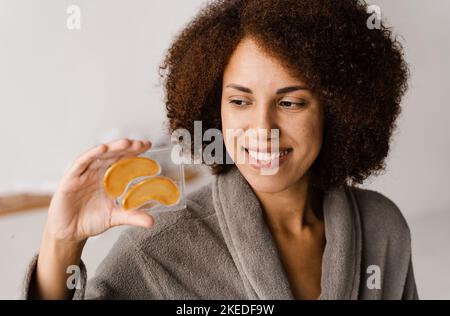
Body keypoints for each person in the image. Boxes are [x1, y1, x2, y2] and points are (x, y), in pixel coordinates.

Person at [23, 0, 418, 300]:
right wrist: (61, 243)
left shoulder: (382, 227)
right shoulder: (159, 249)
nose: (262, 130)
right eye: (240, 101)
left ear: (338, 109)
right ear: (214, 108)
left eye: (291, 102)